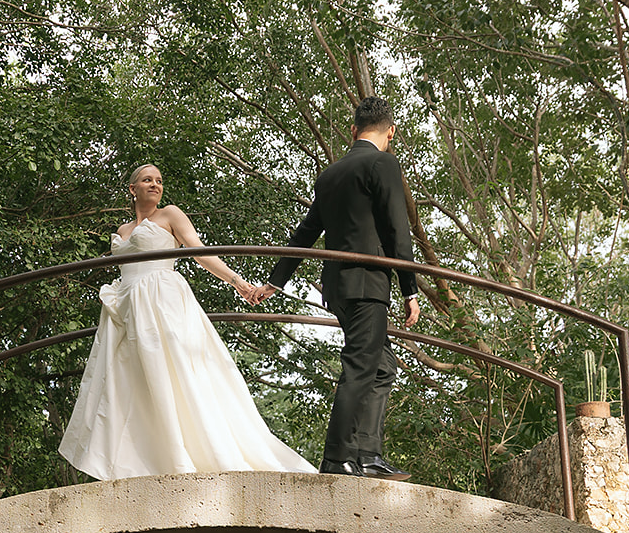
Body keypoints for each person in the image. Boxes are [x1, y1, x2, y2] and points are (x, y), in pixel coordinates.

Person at [59, 164, 316, 480]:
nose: (155, 184)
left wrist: (238, 282)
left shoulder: (170, 215)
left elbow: (200, 252)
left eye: (159, 180)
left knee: (173, 371)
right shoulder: (123, 231)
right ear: (132, 188)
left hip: (161, 302)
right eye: (147, 180)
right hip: (126, 308)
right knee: (130, 381)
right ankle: (144, 461)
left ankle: (186, 456)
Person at [256, 97, 420, 480]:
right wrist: (409, 289)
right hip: (368, 283)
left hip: (339, 288)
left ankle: (368, 455)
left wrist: (276, 281)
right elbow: (398, 228)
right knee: (362, 367)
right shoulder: (383, 162)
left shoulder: (330, 174)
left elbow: (306, 232)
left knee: (381, 366)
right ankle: (337, 460)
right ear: (390, 132)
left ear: (353, 130)